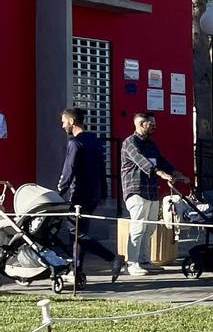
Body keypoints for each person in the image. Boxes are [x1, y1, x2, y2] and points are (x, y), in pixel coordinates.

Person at [57, 106, 121, 286]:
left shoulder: (74, 143)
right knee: (79, 234)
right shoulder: (95, 141)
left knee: (75, 233)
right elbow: (102, 168)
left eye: (63, 122)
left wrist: (59, 192)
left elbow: (68, 170)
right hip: (93, 193)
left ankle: (112, 258)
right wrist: (103, 190)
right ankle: (77, 272)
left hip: (79, 195)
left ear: (71, 121)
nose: (62, 126)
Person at [119, 112, 188, 276]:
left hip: (151, 191)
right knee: (137, 226)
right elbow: (142, 161)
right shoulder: (130, 142)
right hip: (135, 190)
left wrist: (175, 173)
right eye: (151, 124)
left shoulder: (151, 144)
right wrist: (160, 173)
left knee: (149, 228)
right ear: (141, 124)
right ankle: (132, 262)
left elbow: (161, 160)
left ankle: (144, 260)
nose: (154, 127)